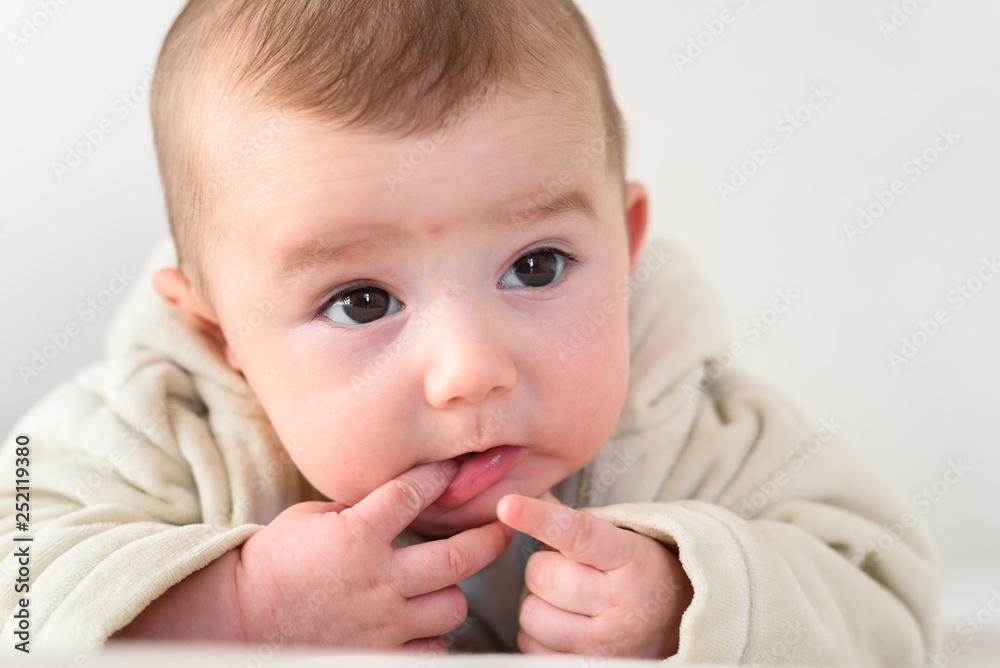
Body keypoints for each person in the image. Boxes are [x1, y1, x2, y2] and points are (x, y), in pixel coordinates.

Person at [0, 0, 938, 662]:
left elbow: (890, 609)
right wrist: (241, 611)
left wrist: (692, 604)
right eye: (362, 301)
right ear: (220, 338)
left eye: (536, 266)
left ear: (624, 244)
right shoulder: (163, 423)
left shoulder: (690, 422)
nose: (469, 372)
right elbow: (15, 579)